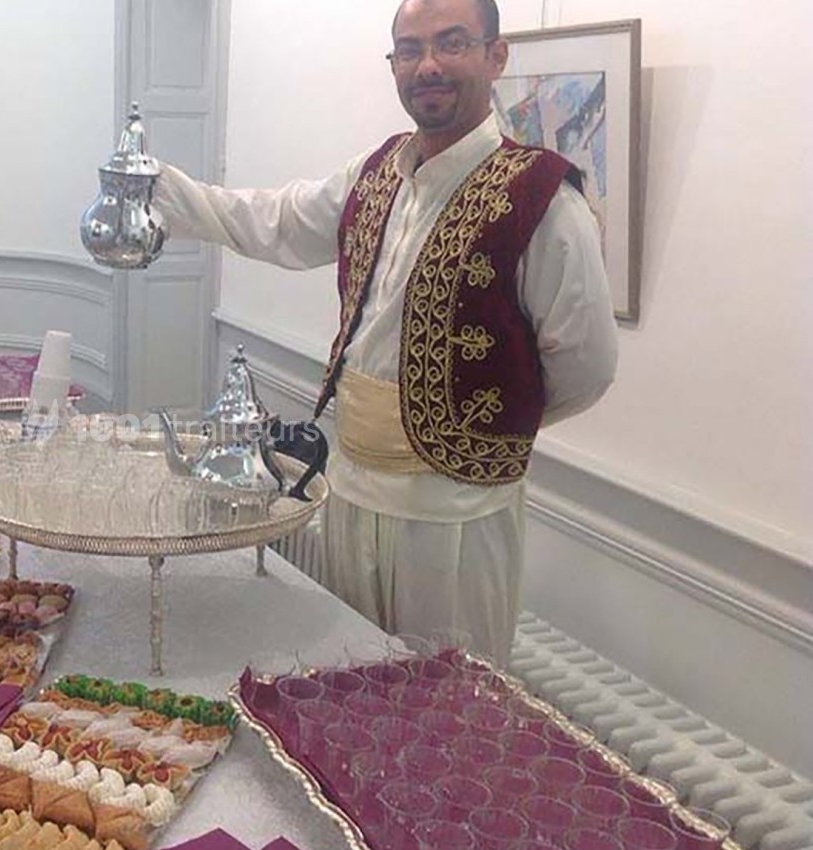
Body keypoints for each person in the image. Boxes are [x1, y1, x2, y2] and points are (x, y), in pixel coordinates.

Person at [153, 0, 619, 664]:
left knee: (443, 703)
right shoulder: (375, 176)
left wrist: (480, 422)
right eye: (409, 49)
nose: (427, 66)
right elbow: (279, 222)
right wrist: (159, 191)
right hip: (351, 489)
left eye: (451, 43)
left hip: (455, 514)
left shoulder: (542, 199)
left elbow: (585, 367)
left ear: (496, 56)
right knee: (348, 681)